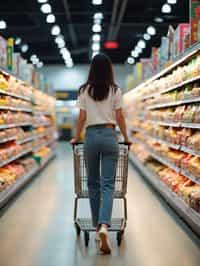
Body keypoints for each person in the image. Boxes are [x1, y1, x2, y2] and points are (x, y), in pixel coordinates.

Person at [71, 53, 130, 254]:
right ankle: (105, 225)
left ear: (92, 70)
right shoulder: (115, 90)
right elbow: (120, 117)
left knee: (92, 183)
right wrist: (126, 136)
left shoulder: (84, 90)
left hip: (91, 138)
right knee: (108, 185)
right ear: (109, 70)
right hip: (109, 135)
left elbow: (82, 117)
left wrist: (76, 136)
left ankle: (97, 227)